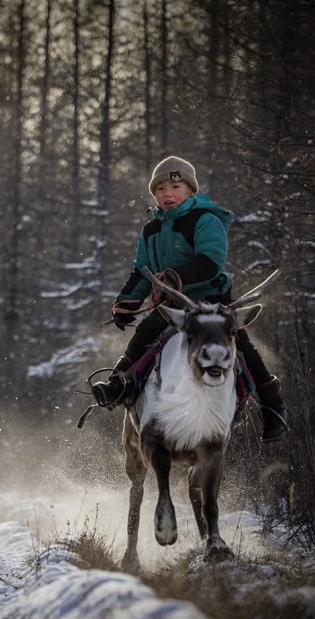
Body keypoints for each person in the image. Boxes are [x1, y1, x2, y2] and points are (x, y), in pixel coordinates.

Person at [90, 156, 288, 442]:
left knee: (241, 344)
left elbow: (211, 261)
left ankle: (272, 405)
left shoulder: (205, 220)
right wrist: (126, 303)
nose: (167, 194)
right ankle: (117, 384)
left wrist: (176, 276)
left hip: (211, 302)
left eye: (175, 187)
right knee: (145, 333)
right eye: (159, 189)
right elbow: (142, 272)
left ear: (191, 190)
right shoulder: (150, 230)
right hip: (172, 305)